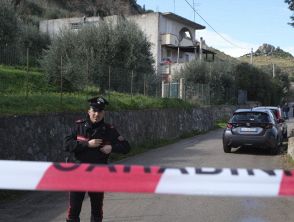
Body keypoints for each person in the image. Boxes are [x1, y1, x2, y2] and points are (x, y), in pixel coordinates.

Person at [64, 96, 131, 222]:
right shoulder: (78, 127)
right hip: (77, 174)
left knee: (96, 212)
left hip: (98, 175)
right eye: (94, 111)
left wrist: (111, 147)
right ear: (89, 111)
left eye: (100, 111)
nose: (96, 114)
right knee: (73, 212)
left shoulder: (109, 130)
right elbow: (66, 145)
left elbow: (126, 147)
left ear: (103, 113)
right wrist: (87, 144)